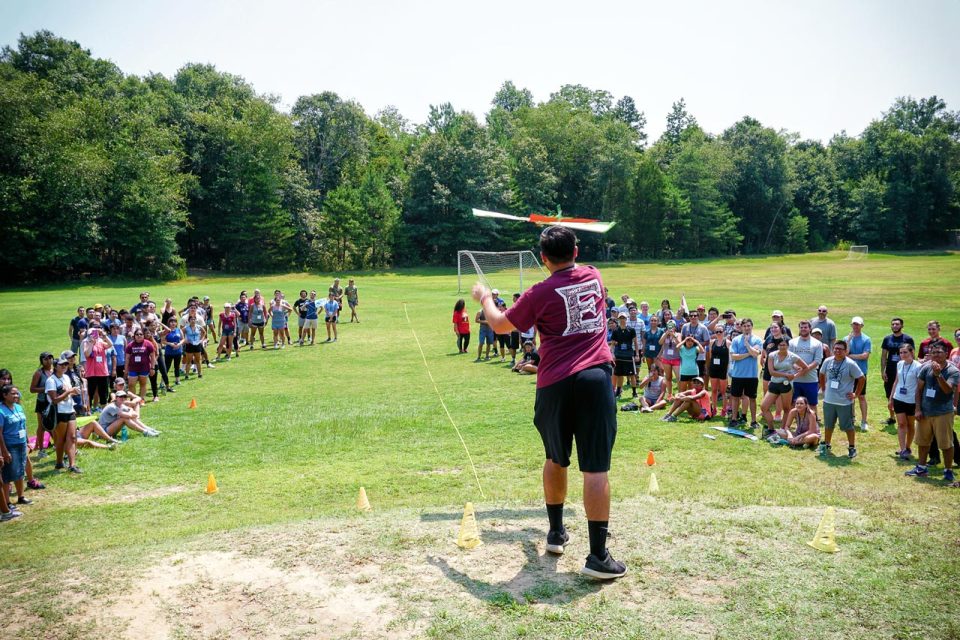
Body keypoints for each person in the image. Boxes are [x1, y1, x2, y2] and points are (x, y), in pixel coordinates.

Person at [472, 225, 626, 580]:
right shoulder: (594, 275)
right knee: (596, 468)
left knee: (555, 458)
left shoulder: (538, 293)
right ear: (576, 251)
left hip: (554, 382)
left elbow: (498, 325)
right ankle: (598, 556)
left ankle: (556, 532)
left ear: (542, 259)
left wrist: (484, 297)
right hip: (593, 378)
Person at [905, 343, 958, 482]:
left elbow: (948, 390)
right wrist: (917, 409)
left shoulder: (953, 371)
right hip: (925, 412)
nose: (936, 355)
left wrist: (939, 375)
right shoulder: (926, 367)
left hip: (943, 413)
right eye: (933, 352)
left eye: (939, 352)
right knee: (922, 442)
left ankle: (948, 470)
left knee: (946, 444)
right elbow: (919, 390)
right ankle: (921, 468)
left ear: (946, 354)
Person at [818, 340, 865, 459]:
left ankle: (851, 447)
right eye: (836, 348)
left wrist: (855, 394)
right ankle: (826, 444)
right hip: (829, 400)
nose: (837, 351)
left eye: (840, 349)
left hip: (844, 402)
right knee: (828, 425)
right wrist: (823, 388)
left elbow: (861, 378)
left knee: (848, 426)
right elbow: (821, 374)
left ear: (846, 351)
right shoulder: (828, 361)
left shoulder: (850, 364)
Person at [46, 358, 81, 473]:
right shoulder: (51, 381)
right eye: (61, 364)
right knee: (60, 439)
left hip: (69, 410)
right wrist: (69, 391)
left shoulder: (66, 377)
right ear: (55, 366)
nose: (64, 366)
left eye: (66, 364)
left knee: (72, 437)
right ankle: (59, 462)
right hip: (58, 412)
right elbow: (54, 400)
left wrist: (72, 392)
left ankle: (72, 465)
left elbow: (67, 394)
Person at [760, 340, 802, 433]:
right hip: (774, 383)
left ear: (788, 346)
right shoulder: (772, 355)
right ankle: (771, 428)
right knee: (764, 407)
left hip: (786, 385)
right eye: (780, 345)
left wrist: (794, 376)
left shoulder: (792, 356)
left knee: (786, 409)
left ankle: (783, 429)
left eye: (784, 345)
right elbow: (771, 372)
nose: (782, 347)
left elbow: (805, 367)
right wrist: (787, 375)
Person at [729, 318, 763, 430]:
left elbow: (756, 354)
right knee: (735, 397)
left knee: (752, 398)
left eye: (748, 326)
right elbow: (734, 357)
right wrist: (749, 353)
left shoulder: (757, 340)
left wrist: (747, 344)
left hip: (752, 375)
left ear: (752, 326)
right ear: (741, 327)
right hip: (738, 374)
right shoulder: (735, 340)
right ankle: (734, 419)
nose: (746, 328)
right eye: (744, 326)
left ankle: (753, 421)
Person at [880, 318, 915, 426]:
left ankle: (904, 416)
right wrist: (883, 371)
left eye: (897, 324)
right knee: (889, 392)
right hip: (890, 370)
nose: (895, 326)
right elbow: (884, 356)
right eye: (893, 324)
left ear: (902, 326)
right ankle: (892, 417)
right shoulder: (887, 339)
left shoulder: (908, 339)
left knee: (903, 392)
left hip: (904, 370)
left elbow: (913, 355)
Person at [888, 343, 920, 460]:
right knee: (901, 424)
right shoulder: (900, 364)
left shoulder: (918, 366)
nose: (902, 355)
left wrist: (918, 403)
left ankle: (908, 447)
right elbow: (896, 381)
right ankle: (902, 449)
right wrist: (891, 397)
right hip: (899, 398)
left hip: (911, 400)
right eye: (901, 352)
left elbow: (920, 386)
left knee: (911, 425)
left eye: (905, 352)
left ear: (911, 352)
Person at [1, 385, 30, 509]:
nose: (16, 396)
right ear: (5, 395)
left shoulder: (18, 407)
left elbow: (23, 425)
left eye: (17, 393)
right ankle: (7, 502)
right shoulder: (1, 411)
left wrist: (27, 441)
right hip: (10, 445)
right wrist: (4, 451)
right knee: (8, 474)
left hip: (21, 443)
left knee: (20, 471)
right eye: (13, 394)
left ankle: (21, 496)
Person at [788, 320, 824, 422]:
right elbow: (789, 358)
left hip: (811, 379)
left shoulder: (817, 343)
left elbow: (817, 360)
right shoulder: (792, 342)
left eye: (805, 327)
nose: (803, 329)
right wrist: (796, 367)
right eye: (801, 327)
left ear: (810, 329)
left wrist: (805, 369)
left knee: (812, 403)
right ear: (799, 329)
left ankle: (813, 423)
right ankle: (797, 422)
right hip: (795, 379)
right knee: (794, 403)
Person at [845, 316, 872, 431]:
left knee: (861, 396)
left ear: (862, 326)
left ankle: (864, 421)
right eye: (854, 324)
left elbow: (864, 356)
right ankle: (851, 418)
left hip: (861, 372)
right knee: (849, 396)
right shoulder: (846, 338)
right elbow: (843, 353)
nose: (855, 326)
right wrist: (848, 342)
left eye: (858, 324)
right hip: (848, 372)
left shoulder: (866, 339)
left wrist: (850, 356)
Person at [29, 352, 56, 461]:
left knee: (54, 424)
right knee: (41, 426)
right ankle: (41, 450)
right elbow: (32, 389)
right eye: (45, 359)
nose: (48, 360)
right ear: (42, 361)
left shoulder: (54, 371)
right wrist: (46, 389)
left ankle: (57, 444)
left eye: (50, 358)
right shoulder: (39, 373)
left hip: (52, 402)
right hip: (42, 402)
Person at [81, 327, 113, 412]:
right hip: (91, 373)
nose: (94, 335)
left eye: (95, 333)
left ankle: (104, 411)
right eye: (92, 333)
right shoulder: (86, 342)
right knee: (90, 393)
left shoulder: (101, 341)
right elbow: (87, 354)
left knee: (103, 393)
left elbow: (110, 345)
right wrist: (92, 342)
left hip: (102, 372)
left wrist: (105, 336)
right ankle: (88, 410)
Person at [611, 313, 640, 398]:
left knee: (632, 375)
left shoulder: (631, 330)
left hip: (629, 355)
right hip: (619, 355)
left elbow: (635, 342)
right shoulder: (616, 331)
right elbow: (612, 344)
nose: (622, 320)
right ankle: (618, 392)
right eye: (620, 318)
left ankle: (634, 392)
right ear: (618, 319)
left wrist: (637, 354)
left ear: (626, 319)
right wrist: (612, 354)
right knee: (619, 375)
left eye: (623, 318)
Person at [125, 328, 157, 401]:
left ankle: (141, 399)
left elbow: (153, 356)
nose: (139, 336)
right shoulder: (130, 345)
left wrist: (152, 368)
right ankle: (133, 400)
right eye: (137, 334)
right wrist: (126, 369)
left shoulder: (148, 343)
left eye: (141, 334)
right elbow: (127, 358)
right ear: (134, 336)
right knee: (131, 384)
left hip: (144, 368)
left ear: (143, 335)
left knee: (143, 384)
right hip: (133, 368)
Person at [707, 326, 730, 418]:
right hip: (713, 369)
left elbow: (730, 358)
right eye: (717, 331)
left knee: (723, 391)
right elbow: (710, 356)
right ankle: (714, 408)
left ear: (724, 332)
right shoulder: (712, 342)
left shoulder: (728, 343)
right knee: (713, 390)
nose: (719, 333)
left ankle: (724, 409)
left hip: (723, 369)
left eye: (720, 331)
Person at [658, 319, 681, 399]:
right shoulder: (664, 334)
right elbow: (660, 342)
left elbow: (680, 344)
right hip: (666, 359)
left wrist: (673, 335)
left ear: (675, 327)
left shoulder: (678, 334)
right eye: (669, 326)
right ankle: (670, 394)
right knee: (668, 377)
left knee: (678, 377)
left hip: (676, 359)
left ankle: (679, 393)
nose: (671, 328)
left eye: (672, 326)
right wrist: (666, 334)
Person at [162, 317, 185, 386]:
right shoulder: (166, 331)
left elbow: (183, 339)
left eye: (174, 322)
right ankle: (162, 382)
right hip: (169, 352)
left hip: (178, 351)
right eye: (171, 322)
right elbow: (163, 341)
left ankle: (177, 380)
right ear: (168, 323)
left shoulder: (178, 330)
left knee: (177, 366)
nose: (173, 323)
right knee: (166, 367)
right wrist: (170, 344)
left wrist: (179, 344)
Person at [182, 315, 205, 380]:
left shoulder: (199, 327)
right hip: (190, 345)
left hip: (197, 345)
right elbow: (181, 333)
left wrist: (202, 340)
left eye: (194, 319)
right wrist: (184, 340)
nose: (193, 321)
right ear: (189, 321)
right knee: (189, 361)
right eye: (191, 319)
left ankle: (199, 374)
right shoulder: (186, 328)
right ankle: (186, 375)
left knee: (198, 360)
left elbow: (204, 332)